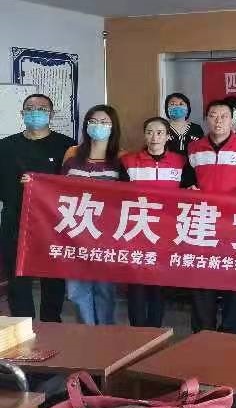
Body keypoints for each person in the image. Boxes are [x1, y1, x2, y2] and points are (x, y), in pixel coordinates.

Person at [185, 99, 236, 334]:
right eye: (213, 116)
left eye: (223, 116)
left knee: (232, 276)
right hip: (203, 222)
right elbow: (185, 180)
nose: (218, 121)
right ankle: (203, 330)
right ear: (206, 119)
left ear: (232, 120)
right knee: (201, 277)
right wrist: (188, 188)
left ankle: (230, 329)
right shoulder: (194, 148)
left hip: (235, 223)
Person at [0, 94, 75, 321]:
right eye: (30, 108)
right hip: (15, 219)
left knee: (53, 276)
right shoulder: (5, 146)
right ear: (22, 114)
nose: (35, 112)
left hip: (54, 221)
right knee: (17, 278)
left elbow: (74, 184)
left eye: (42, 108)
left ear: (51, 114)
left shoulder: (67, 146)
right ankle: (23, 326)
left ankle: (52, 324)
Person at [61, 105, 125, 325]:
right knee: (76, 291)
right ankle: (86, 334)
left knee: (105, 290)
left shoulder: (121, 158)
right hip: (75, 232)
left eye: (104, 122)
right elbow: (55, 188)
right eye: (94, 121)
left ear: (113, 127)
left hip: (107, 234)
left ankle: (105, 335)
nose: (98, 126)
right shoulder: (72, 155)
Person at [120, 117, 186, 327]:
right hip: (137, 230)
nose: (154, 137)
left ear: (168, 136)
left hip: (166, 231)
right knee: (136, 284)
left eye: (159, 133)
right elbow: (117, 194)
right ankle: (137, 332)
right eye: (149, 132)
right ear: (144, 135)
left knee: (158, 284)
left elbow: (189, 192)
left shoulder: (180, 162)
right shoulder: (128, 161)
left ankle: (155, 330)